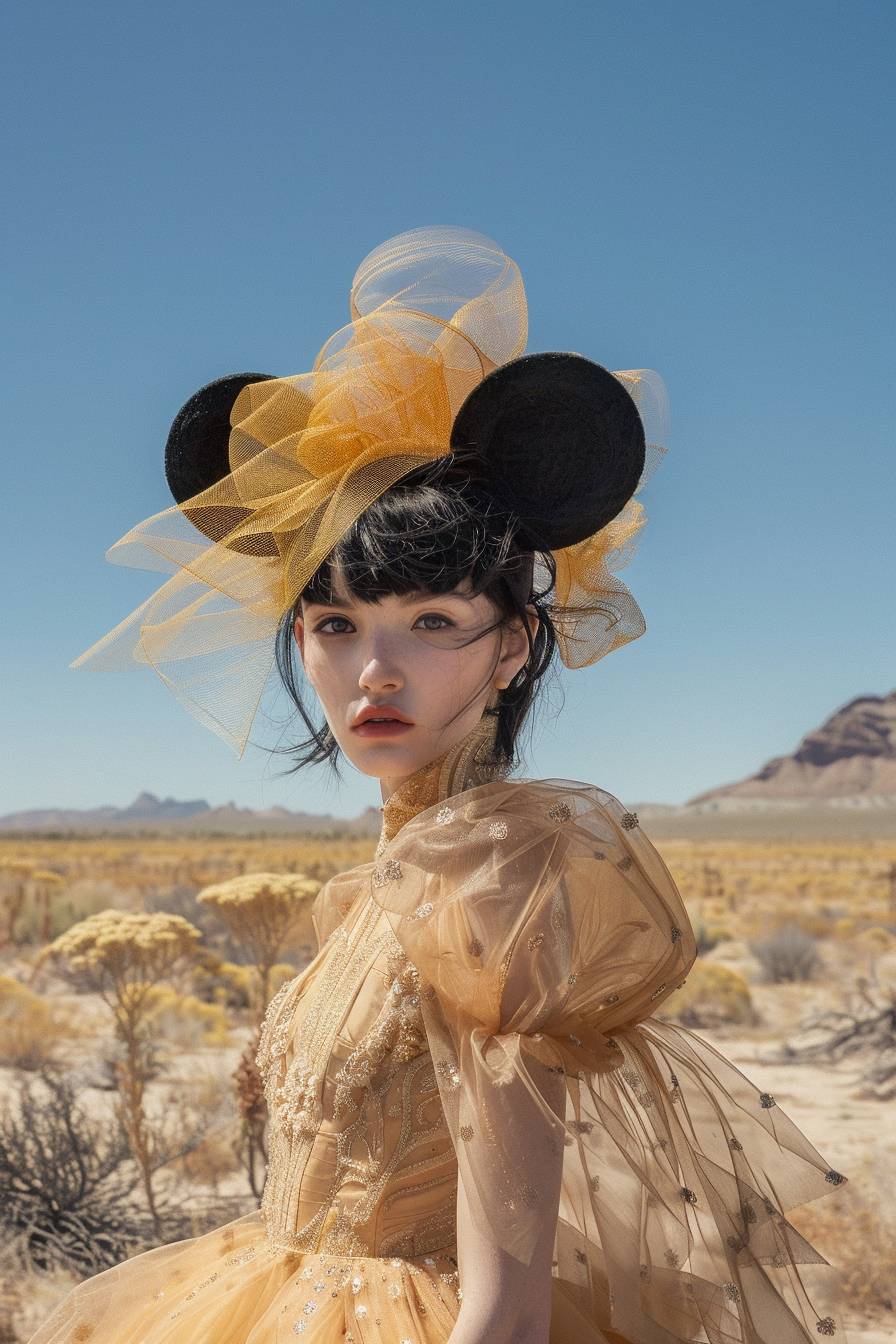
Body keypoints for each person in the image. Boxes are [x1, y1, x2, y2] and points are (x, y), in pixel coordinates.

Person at [28, 227, 850, 1343]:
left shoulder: (495, 882)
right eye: (334, 624)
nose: (374, 670)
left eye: (429, 623)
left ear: (510, 649)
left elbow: (505, 1316)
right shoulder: (379, 885)